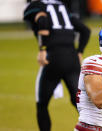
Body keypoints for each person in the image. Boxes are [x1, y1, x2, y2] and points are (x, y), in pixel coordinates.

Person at [23, 0, 91, 131]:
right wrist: (80, 51)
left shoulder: (37, 5)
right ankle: (97, 127)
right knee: (78, 102)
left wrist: (42, 49)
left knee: (42, 104)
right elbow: (85, 30)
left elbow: (42, 20)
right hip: (72, 58)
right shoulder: (61, 5)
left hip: (53, 57)